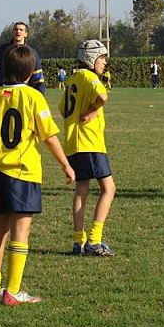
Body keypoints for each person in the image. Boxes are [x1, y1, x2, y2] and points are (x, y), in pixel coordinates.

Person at [0, 44, 75, 305]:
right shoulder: (33, 97)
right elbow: (49, 137)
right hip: (22, 171)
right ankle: (13, 290)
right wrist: (66, 165)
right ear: (31, 72)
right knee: (20, 231)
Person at [59, 39, 117, 256]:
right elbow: (103, 96)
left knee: (81, 190)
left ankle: (78, 241)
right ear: (92, 59)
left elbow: (63, 110)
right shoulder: (89, 77)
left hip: (73, 142)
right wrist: (93, 110)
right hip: (89, 142)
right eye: (102, 58)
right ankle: (94, 240)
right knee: (108, 189)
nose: (104, 63)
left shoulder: (73, 79)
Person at [0, 21, 45, 94]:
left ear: (26, 34)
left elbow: (38, 77)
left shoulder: (32, 53)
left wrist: (40, 94)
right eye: (16, 29)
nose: (18, 31)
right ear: (12, 32)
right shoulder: (3, 49)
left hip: (23, 93)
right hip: (3, 91)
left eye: (21, 30)